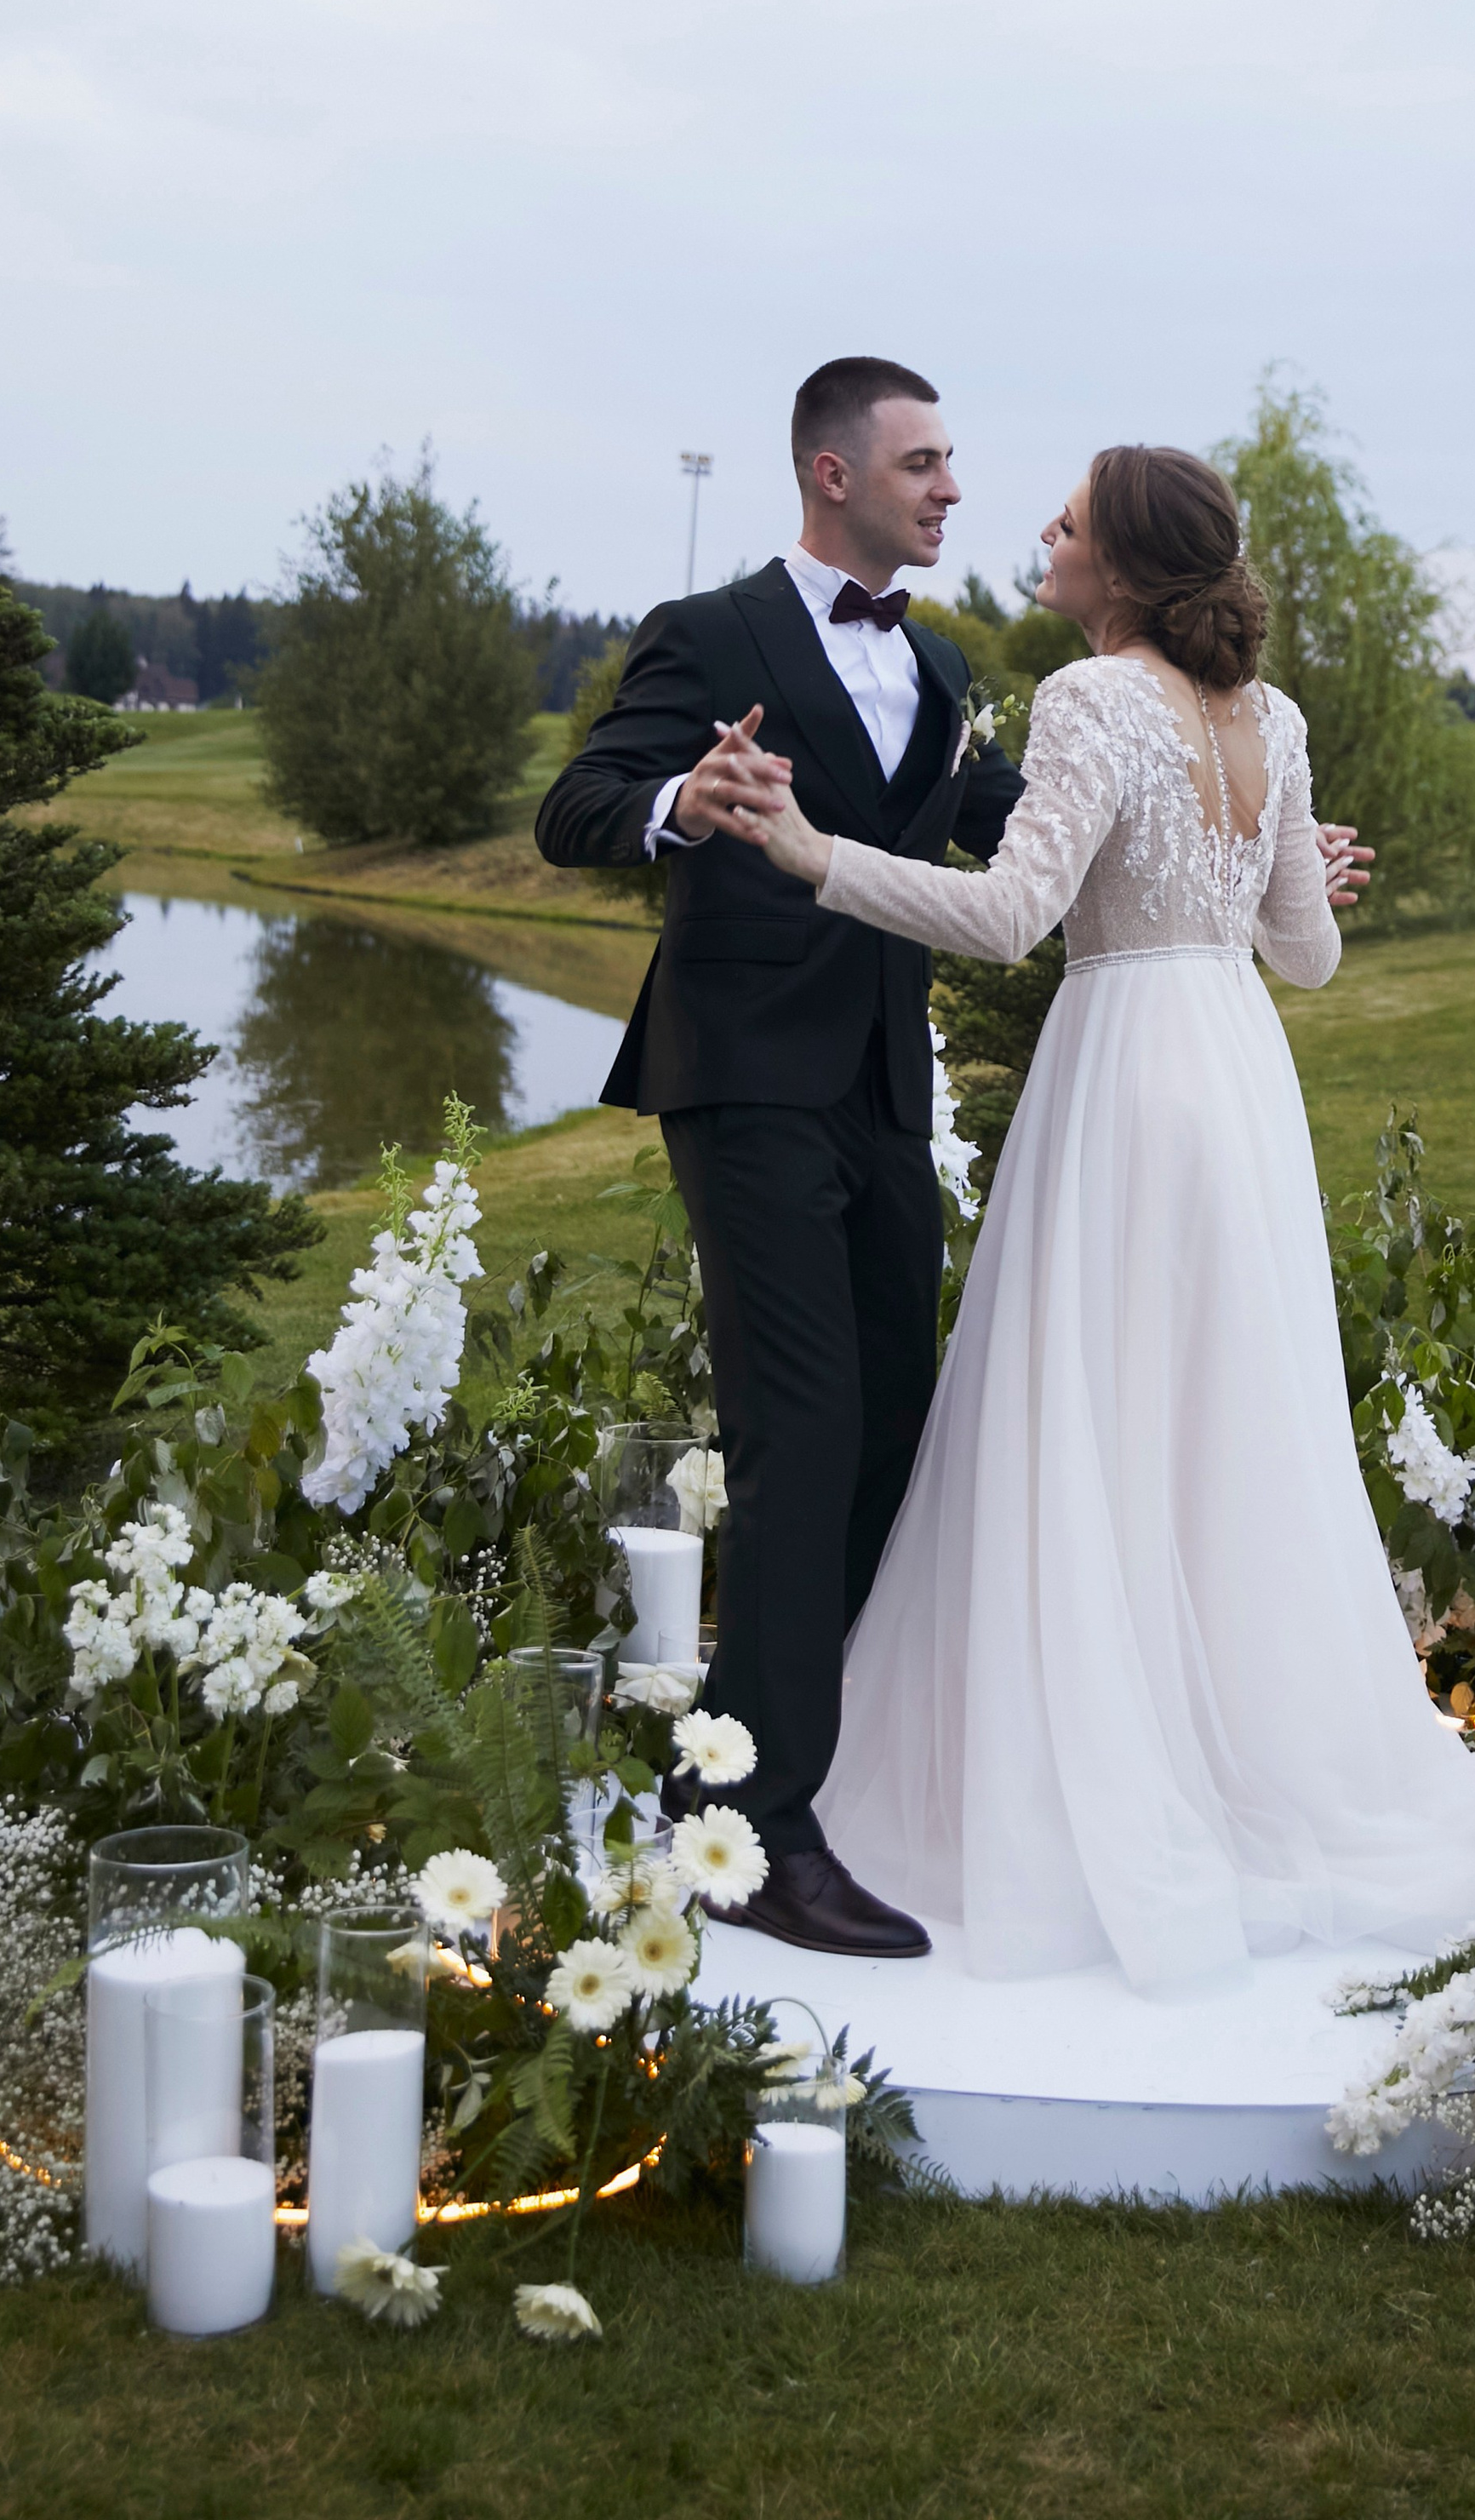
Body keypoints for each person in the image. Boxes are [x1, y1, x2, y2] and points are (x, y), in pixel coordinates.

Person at [537, 371, 1372, 1962]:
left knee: (894, 1436)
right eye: (926, 465)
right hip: (748, 1081)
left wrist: (1238, 837)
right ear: (832, 470)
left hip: (879, 1089)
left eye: (959, 465)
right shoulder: (708, 631)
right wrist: (683, 800)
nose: (954, 492)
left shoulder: (941, 660)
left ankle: (792, 1766)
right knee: (806, 1429)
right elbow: (572, 806)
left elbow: (1027, 824)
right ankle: (760, 1839)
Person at [720, 442, 1475, 1995]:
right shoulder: (1273, 717)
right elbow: (1305, 961)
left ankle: (1090, 1777)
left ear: (1126, 566)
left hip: (1120, 1079)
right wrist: (1291, 875)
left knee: (1091, 1422)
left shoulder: (1091, 700)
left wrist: (809, 853)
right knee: (1217, 1431)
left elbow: (1004, 918)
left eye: (1071, 519)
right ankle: (1239, 1763)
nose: (1042, 529)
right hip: (1235, 1085)